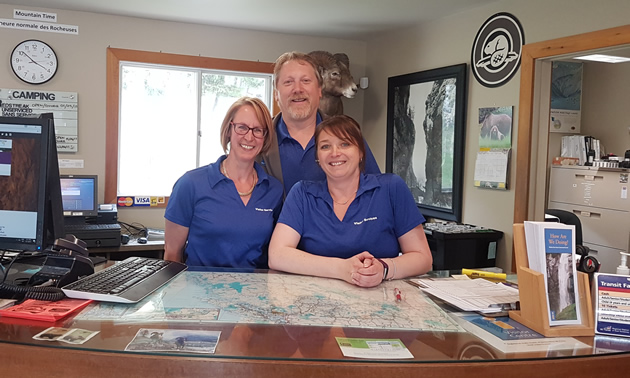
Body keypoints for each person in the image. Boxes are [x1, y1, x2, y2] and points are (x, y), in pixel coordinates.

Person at [268, 115, 432, 287]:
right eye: (325, 146)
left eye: (345, 144)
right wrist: (342, 269)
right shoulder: (302, 194)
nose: (335, 153)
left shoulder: (391, 188)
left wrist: (384, 268)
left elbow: (423, 258)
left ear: (361, 151)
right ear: (317, 157)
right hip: (316, 301)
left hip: (380, 301)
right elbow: (277, 255)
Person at [164, 97, 283, 268]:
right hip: (197, 292)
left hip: (255, 292)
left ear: (265, 137)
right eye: (242, 128)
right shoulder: (190, 184)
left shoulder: (273, 190)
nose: (249, 137)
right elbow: (172, 254)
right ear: (229, 130)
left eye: (257, 130)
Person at [261, 51, 380, 194]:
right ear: (276, 94)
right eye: (288, 82)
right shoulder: (258, 140)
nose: (297, 89)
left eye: (306, 81)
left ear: (319, 90)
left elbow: (375, 191)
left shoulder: (348, 136)